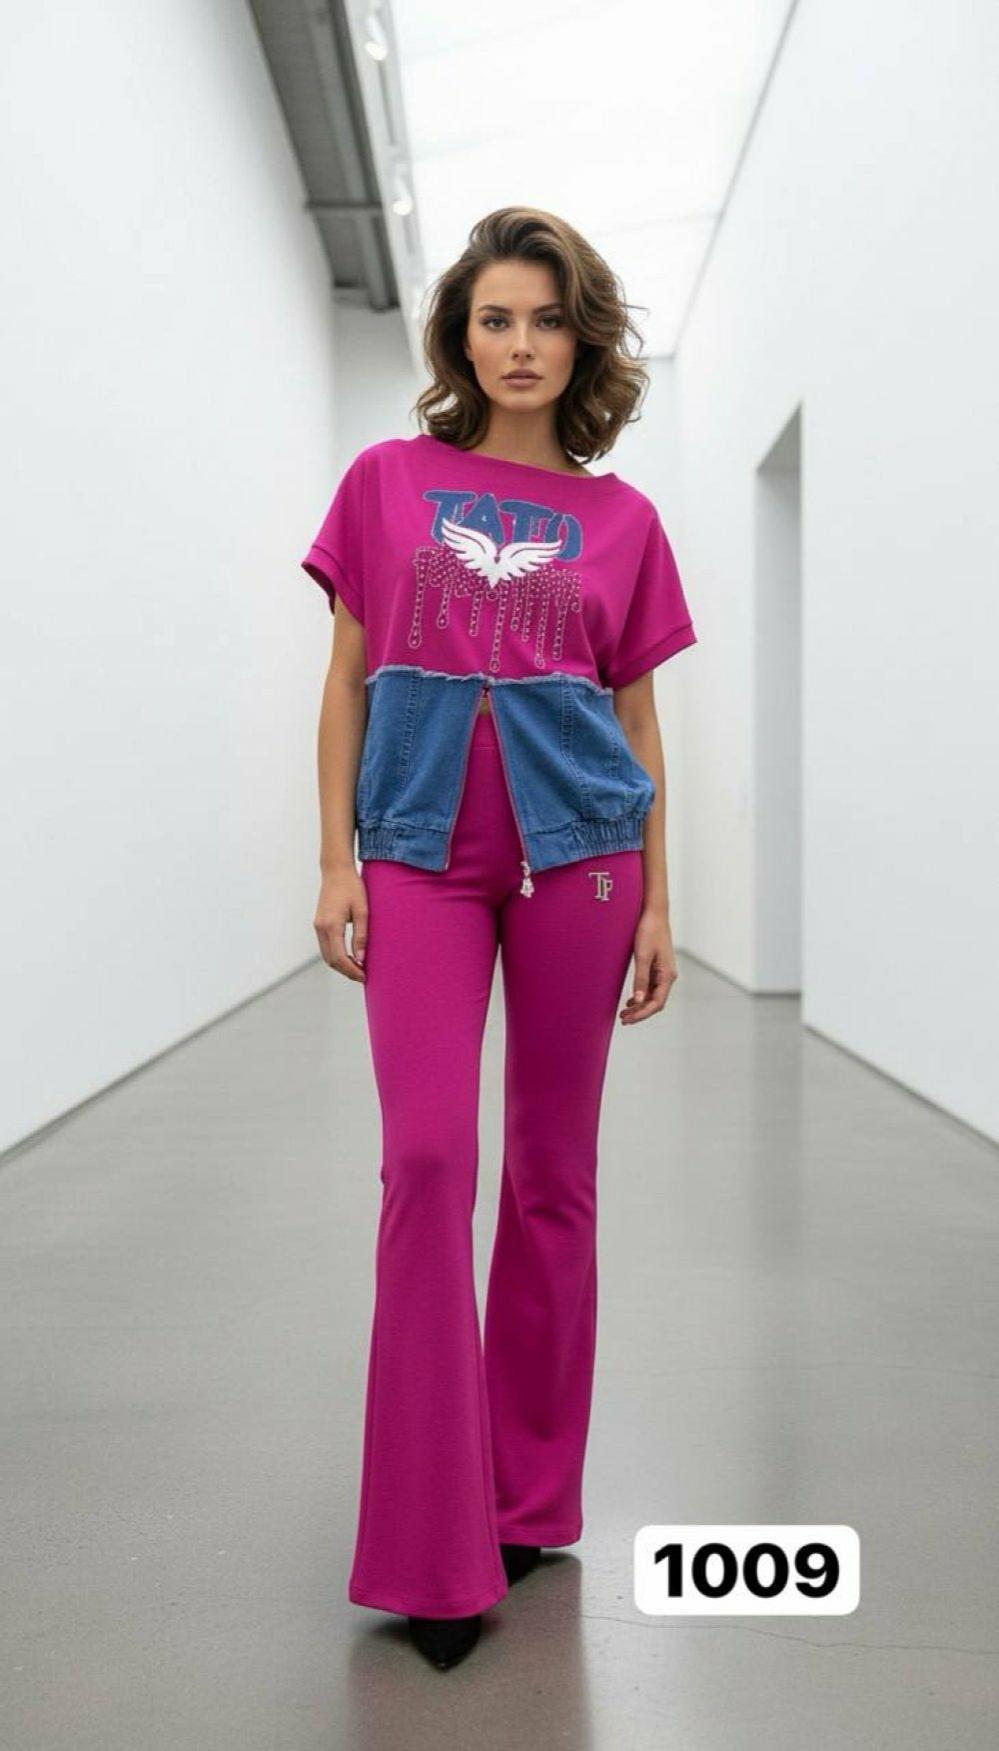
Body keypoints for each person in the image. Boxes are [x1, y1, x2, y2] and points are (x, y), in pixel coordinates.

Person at [300, 207, 697, 1671]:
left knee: (551, 1177)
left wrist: (661, 899)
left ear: (580, 343)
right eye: (494, 320)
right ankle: (430, 1550)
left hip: (582, 862)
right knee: (426, 1165)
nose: (520, 345)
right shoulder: (387, 481)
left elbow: (637, 719)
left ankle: (528, 1502)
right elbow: (347, 677)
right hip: (418, 857)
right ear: (459, 338)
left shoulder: (626, 521)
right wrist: (334, 859)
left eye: (546, 321)